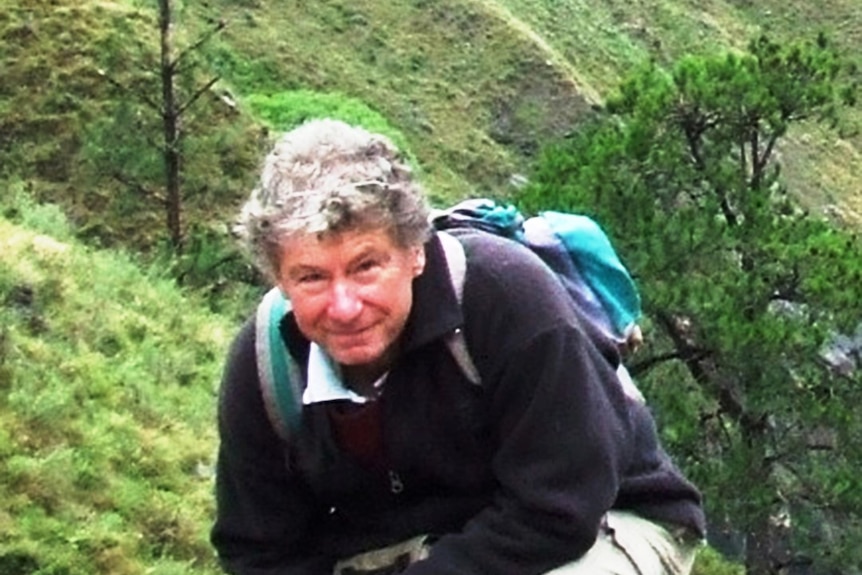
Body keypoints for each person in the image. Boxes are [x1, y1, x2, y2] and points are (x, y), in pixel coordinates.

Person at [211, 118, 706, 575]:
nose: (344, 306)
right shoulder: (265, 367)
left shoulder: (507, 297)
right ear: (279, 278)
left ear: (414, 253)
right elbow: (260, 550)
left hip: (600, 522)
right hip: (411, 544)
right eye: (312, 277)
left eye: (366, 267)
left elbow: (560, 508)